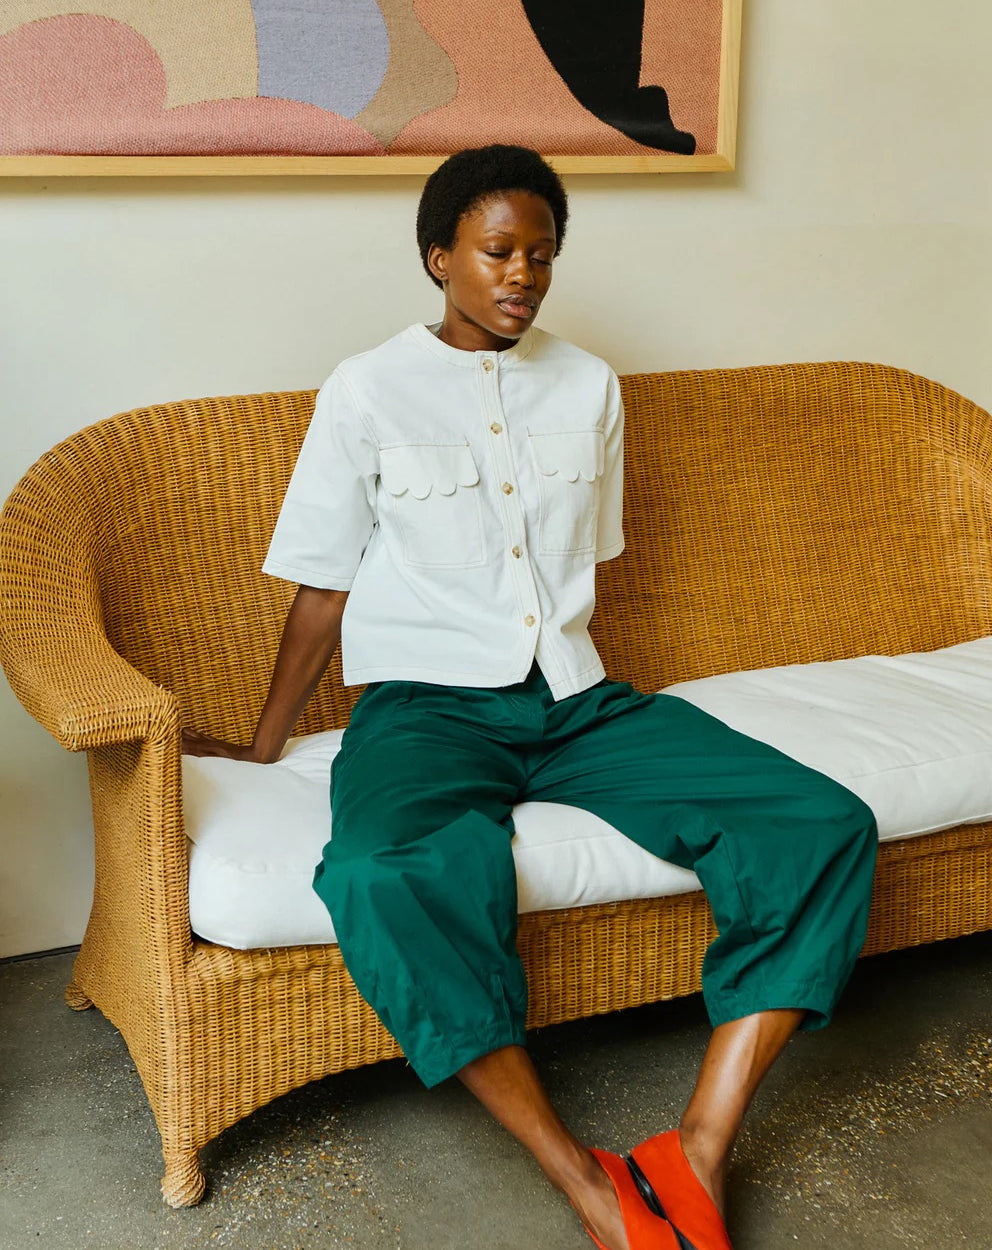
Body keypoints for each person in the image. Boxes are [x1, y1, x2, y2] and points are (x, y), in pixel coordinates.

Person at [184, 145, 878, 1250]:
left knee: (821, 822)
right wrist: (269, 742)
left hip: (576, 700)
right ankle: (586, 1181)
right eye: (498, 251)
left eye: (542, 254)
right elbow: (323, 585)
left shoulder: (589, 383)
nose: (523, 274)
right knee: (381, 871)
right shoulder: (365, 388)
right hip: (426, 708)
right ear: (438, 257)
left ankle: (696, 1145)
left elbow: (577, 567)